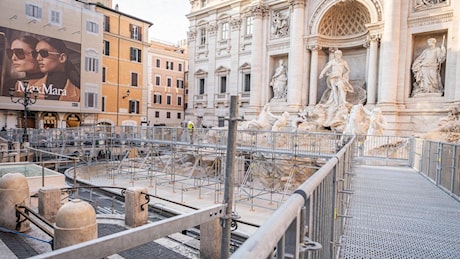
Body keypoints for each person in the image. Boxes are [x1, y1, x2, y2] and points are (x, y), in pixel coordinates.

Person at [34, 37, 80, 102]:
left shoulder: (79, 94)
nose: (38, 58)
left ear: (62, 58)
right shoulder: (27, 87)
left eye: (43, 53)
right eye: (35, 54)